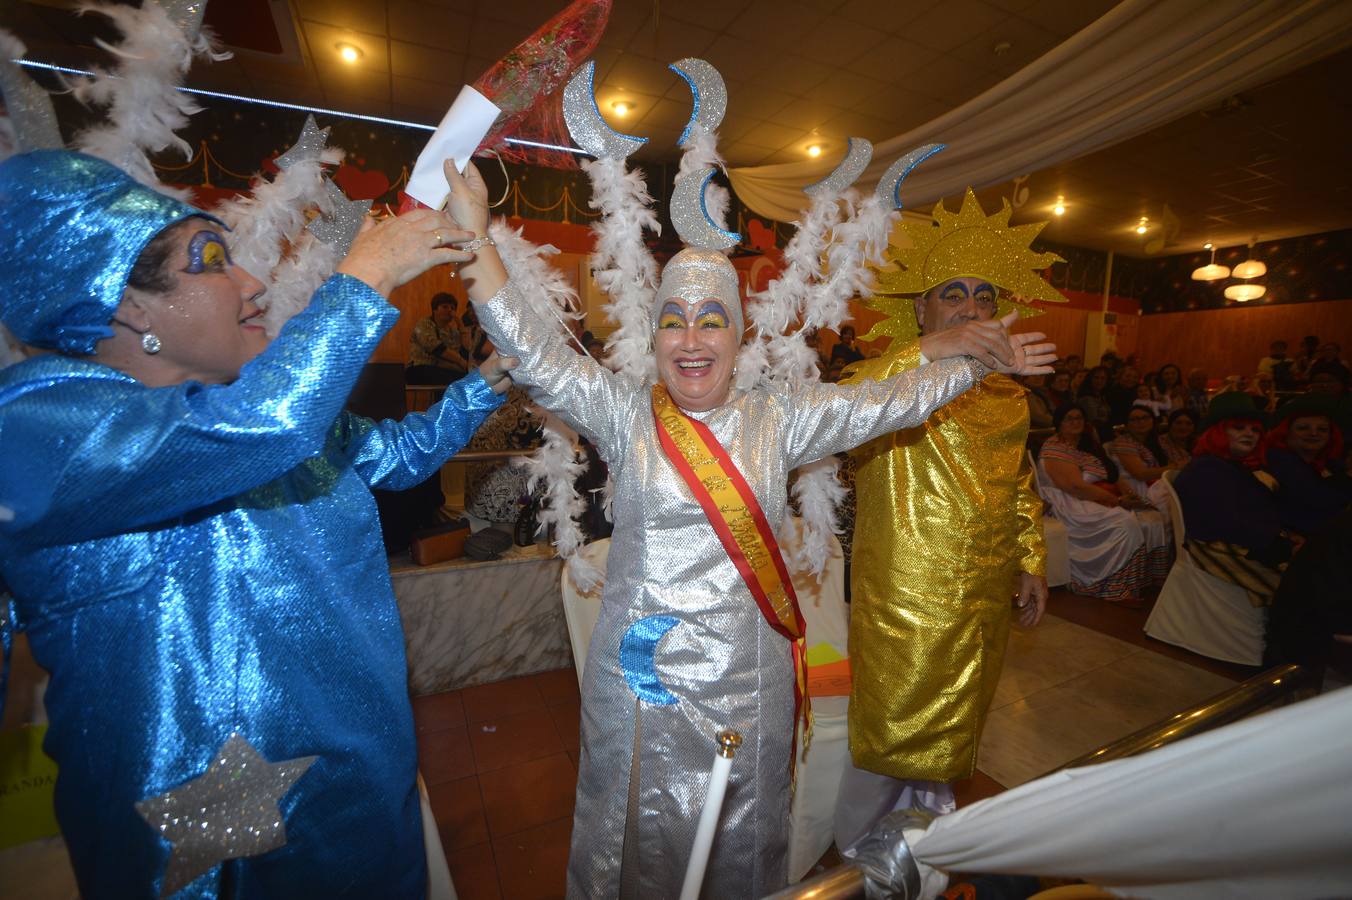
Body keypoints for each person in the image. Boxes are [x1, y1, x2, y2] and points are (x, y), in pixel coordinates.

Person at [442, 159, 1054, 897]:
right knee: (632, 832)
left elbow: (886, 404)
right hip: (637, 682)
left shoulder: (779, 418)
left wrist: (965, 360)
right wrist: (475, 237)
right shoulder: (622, 411)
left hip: (749, 679)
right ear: (657, 334)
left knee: (741, 836)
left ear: (737, 336)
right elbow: (536, 353)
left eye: (712, 321)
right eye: (675, 321)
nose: (692, 340)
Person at [0, 150, 514, 897]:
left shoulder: (261, 411)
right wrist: (365, 275)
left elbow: (390, 456)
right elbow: (259, 428)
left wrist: (486, 385)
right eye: (211, 262)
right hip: (210, 864)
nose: (252, 282)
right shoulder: (36, 432)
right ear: (128, 307)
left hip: (363, 805)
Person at [832, 188, 1058, 848]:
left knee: (959, 733)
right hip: (907, 602)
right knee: (891, 735)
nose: (971, 307)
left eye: (983, 296)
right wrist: (934, 354)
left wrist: (1033, 561)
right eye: (952, 294)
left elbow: (1020, 486)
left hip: (982, 604)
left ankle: (926, 850)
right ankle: (850, 863)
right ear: (922, 307)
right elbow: (844, 409)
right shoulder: (891, 381)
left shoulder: (1008, 395)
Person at [1037, 403, 1169, 606]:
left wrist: (1129, 496)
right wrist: (1116, 501)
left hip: (1096, 495)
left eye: (1079, 418)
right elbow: (1075, 487)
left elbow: (1113, 475)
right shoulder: (1055, 447)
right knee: (1123, 523)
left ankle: (1142, 580)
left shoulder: (1087, 443)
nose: (1075, 422)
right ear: (1059, 423)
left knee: (1153, 519)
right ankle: (1105, 586)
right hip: (1069, 501)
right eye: (1069, 418)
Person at [1173, 392, 1292, 605]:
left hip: (1242, 541)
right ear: (1218, 432)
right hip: (1214, 548)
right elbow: (1223, 523)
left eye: (1255, 429)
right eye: (1239, 427)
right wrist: (1279, 542)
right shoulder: (1208, 467)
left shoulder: (1236, 466)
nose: (1250, 434)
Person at [1261, 397, 1352, 538]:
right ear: (1285, 432)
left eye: (1322, 429)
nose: (1314, 433)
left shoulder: (1331, 466)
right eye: (1303, 428)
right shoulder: (1276, 463)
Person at [1110, 404, 1177, 503]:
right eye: (1134, 419)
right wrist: (1175, 467)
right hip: (1138, 490)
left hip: (1160, 486)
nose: (1141, 422)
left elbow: (1175, 459)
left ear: (1153, 420)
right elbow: (1141, 474)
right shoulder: (1123, 442)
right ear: (1127, 424)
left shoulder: (1159, 440)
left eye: (1145, 417)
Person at [406, 291, 469, 385]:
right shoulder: (424, 324)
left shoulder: (453, 331)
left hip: (445, 369)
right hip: (420, 368)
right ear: (434, 309)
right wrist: (461, 361)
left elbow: (465, 350)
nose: (450, 310)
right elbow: (436, 348)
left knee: (468, 377)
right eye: (445, 307)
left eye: (453, 308)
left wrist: (461, 326)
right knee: (460, 380)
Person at [1077, 364, 1112, 438]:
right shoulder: (1086, 398)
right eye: (1096, 378)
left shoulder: (1101, 396)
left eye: (1103, 378)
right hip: (1092, 435)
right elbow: (1093, 420)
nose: (1099, 381)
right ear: (1090, 379)